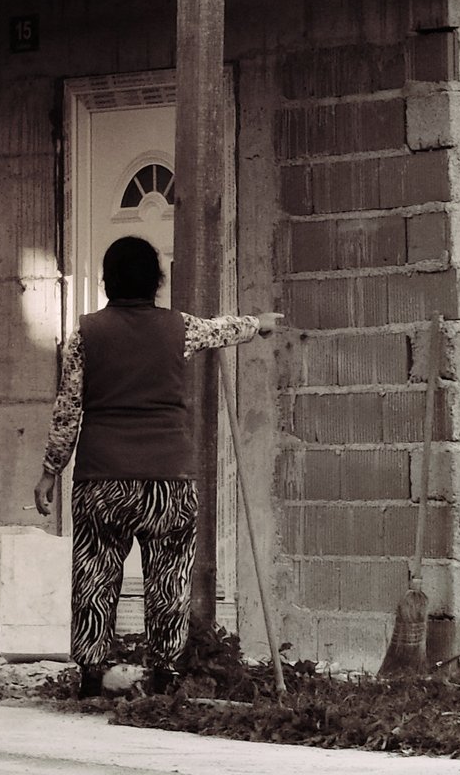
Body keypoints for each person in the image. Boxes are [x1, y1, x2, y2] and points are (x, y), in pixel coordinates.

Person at [33, 235, 279, 698]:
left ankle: (91, 677)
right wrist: (259, 324)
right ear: (157, 281)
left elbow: (67, 411)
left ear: (106, 281)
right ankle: (165, 676)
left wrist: (51, 470)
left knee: (94, 575)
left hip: (102, 480)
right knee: (169, 579)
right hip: (169, 479)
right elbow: (220, 330)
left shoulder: (85, 334)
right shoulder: (178, 327)